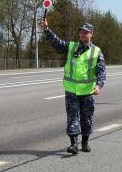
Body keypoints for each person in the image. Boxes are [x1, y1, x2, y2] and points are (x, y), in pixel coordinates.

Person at [41, 18, 106, 155]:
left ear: (91, 34)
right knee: (72, 117)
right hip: (71, 90)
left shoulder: (96, 51)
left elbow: (101, 71)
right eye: (81, 32)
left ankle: (85, 142)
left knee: (87, 117)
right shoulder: (71, 46)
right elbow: (56, 43)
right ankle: (73, 144)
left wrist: (99, 86)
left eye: (85, 32)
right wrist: (47, 30)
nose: (82, 34)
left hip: (87, 91)